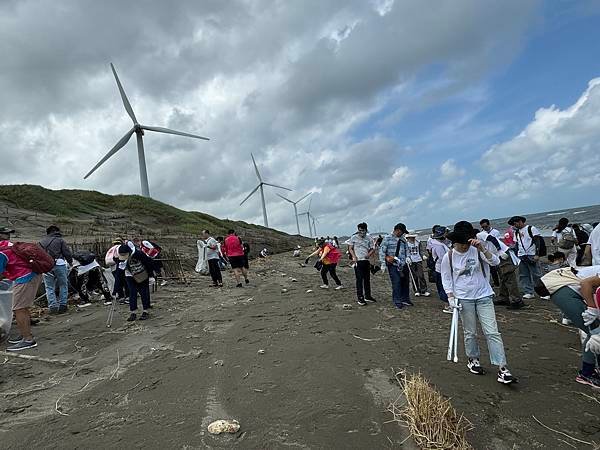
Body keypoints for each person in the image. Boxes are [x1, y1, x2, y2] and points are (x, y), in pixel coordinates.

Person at [441, 221, 515, 384]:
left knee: (492, 332)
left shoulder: (477, 250)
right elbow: (446, 278)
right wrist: (451, 297)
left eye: (466, 242)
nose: (464, 246)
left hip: (484, 295)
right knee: (470, 332)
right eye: (461, 242)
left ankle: (503, 368)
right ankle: (473, 359)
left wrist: (482, 248)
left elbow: (495, 262)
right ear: (455, 242)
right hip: (463, 298)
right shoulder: (449, 256)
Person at [535, 266, 600, 388]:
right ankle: (586, 374)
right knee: (595, 332)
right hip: (563, 289)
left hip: (568, 287)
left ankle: (589, 370)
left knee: (594, 331)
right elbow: (585, 283)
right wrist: (591, 308)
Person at [0, 241, 43, 351]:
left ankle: (28, 340)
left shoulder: (1, 252)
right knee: (22, 307)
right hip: (32, 274)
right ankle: (25, 333)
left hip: (25, 277)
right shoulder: (7, 245)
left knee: (19, 308)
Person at [477, 229, 524, 310]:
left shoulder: (480, 235)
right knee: (502, 277)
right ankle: (503, 297)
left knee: (509, 277)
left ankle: (516, 300)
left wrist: (499, 250)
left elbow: (492, 238)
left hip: (503, 254)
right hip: (497, 256)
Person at [40, 225, 73, 314]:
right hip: (59, 264)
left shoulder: (41, 242)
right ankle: (63, 305)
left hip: (46, 266)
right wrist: (70, 262)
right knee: (63, 284)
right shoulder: (60, 240)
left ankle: (53, 306)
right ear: (57, 231)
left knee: (49, 287)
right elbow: (66, 252)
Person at [117, 244, 156, 321]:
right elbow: (119, 272)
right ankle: (133, 312)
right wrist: (116, 289)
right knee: (132, 293)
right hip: (129, 275)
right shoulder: (120, 258)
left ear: (129, 252)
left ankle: (145, 311)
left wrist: (151, 275)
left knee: (143, 292)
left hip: (141, 274)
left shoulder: (138, 254)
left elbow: (149, 263)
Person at [509, 216, 543, 300]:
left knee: (537, 274)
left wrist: (537, 254)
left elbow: (537, 242)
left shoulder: (531, 229)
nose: (514, 225)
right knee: (523, 275)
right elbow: (517, 244)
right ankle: (528, 292)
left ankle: (543, 292)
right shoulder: (516, 232)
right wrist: (517, 255)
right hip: (521, 255)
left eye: (515, 223)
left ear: (520, 221)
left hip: (531, 254)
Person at [379, 223, 412, 309]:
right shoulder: (387, 239)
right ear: (398, 230)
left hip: (403, 264)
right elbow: (382, 251)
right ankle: (397, 301)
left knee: (405, 282)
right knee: (396, 282)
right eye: (402, 232)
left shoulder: (403, 239)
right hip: (393, 264)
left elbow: (406, 249)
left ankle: (405, 299)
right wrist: (383, 263)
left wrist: (408, 257)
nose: (403, 234)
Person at [348, 222, 376, 306]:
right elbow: (350, 248)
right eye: (359, 231)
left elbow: (373, 248)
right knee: (359, 280)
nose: (361, 232)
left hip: (366, 261)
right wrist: (354, 256)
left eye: (363, 230)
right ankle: (360, 298)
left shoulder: (369, 238)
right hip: (358, 261)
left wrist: (369, 254)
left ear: (366, 230)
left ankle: (368, 296)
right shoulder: (354, 237)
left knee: (367, 279)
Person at [429, 225, 452, 313]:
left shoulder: (439, 243)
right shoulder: (438, 245)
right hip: (441, 268)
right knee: (443, 286)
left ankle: (448, 303)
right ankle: (447, 305)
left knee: (443, 285)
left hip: (442, 268)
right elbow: (443, 258)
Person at [480, 219, 501, 287]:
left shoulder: (495, 232)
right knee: (492, 270)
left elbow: (498, 242)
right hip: (488, 253)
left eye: (485, 226)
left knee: (499, 268)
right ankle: (496, 283)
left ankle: (502, 282)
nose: (484, 228)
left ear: (489, 225)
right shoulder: (482, 233)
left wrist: (499, 250)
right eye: (483, 227)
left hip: (496, 252)